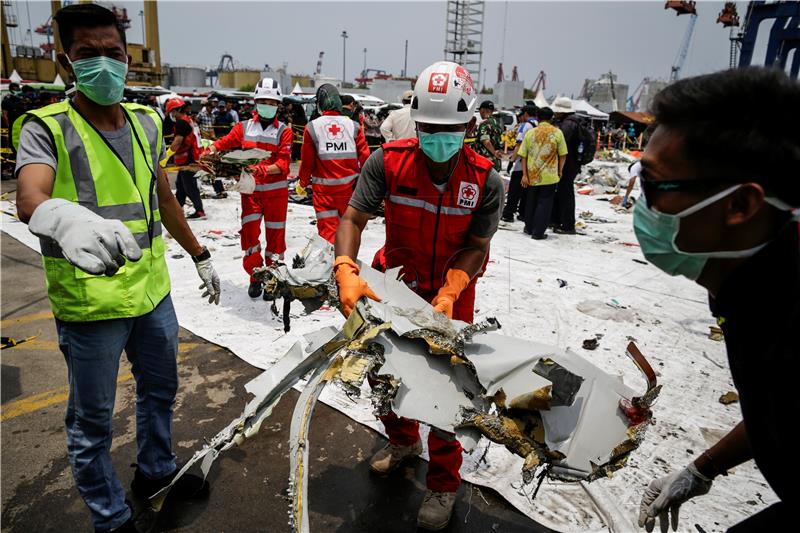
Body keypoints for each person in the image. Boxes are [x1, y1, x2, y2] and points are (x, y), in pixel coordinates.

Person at [12, 4, 220, 532]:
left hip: (152, 293)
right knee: (92, 423)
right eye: (87, 55)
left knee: (160, 391)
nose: (103, 64)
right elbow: (30, 196)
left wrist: (199, 254)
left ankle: (155, 471)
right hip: (91, 304)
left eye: (113, 53)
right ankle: (110, 517)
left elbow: (164, 198)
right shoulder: (45, 127)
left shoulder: (149, 121)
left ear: (128, 59)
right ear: (65, 63)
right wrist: (60, 216)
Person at [333, 61, 504, 530]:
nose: (437, 136)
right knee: (387, 375)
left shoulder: (486, 180)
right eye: (428, 127)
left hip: (454, 295)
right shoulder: (387, 161)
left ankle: (444, 485)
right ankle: (403, 440)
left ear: (469, 125)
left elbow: (477, 246)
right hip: (396, 285)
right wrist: (346, 267)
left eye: (449, 129)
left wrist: (453, 286)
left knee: (449, 396)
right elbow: (352, 219)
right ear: (415, 119)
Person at [634, 67, 799, 533]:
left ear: (740, 206)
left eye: (653, 186)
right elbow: (775, 407)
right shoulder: (753, 284)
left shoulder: (788, 317)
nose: (640, 208)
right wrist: (702, 467)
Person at [207, 78, 292, 298]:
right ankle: (256, 276)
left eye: (271, 101)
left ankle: (272, 280)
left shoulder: (284, 131)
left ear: (278, 104)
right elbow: (224, 142)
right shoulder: (244, 127)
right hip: (251, 194)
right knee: (250, 237)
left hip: (276, 195)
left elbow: (283, 165)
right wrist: (210, 150)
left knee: (275, 239)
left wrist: (261, 170)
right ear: (255, 102)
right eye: (262, 100)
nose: (267, 104)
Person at [297, 84, 370, 242]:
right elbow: (366, 160)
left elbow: (307, 164)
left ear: (320, 103)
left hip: (325, 195)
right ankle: (346, 263)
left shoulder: (312, 128)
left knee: (329, 236)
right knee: (348, 233)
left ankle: (334, 265)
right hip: (350, 193)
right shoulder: (354, 126)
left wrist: (302, 183)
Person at [519, 106, 567, 240]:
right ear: (551, 118)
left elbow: (523, 155)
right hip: (550, 176)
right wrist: (560, 170)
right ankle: (538, 232)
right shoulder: (557, 133)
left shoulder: (530, 133)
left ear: (538, 118)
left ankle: (529, 228)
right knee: (544, 204)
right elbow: (563, 154)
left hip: (532, 174)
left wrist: (524, 174)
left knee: (531, 202)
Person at [161, 97, 205, 219]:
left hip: (188, 160)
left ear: (176, 111)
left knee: (189, 186)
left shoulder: (182, 123)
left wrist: (165, 157)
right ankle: (177, 210)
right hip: (190, 158)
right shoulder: (189, 120)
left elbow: (177, 142)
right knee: (180, 185)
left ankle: (200, 211)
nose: (171, 115)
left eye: (171, 112)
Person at [551, 96, 582, 234]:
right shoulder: (572, 122)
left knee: (566, 194)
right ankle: (557, 221)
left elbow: (560, 145)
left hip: (568, 164)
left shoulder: (569, 124)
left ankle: (568, 225)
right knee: (562, 193)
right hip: (572, 163)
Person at [501, 104, 537, 222]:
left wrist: (512, 160)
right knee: (526, 190)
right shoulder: (538, 125)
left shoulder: (525, 126)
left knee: (514, 189)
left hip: (521, 162)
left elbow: (519, 144)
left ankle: (508, 213)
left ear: (526, 114)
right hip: (534, 163)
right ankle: (523, 213)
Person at [475, 100, 503, 171]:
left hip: (485, 162)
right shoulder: (497, 124)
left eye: (480, 110)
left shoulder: (485, 124)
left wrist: (494, 153)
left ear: (483, 110)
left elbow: (486, 141)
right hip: (495, 162)